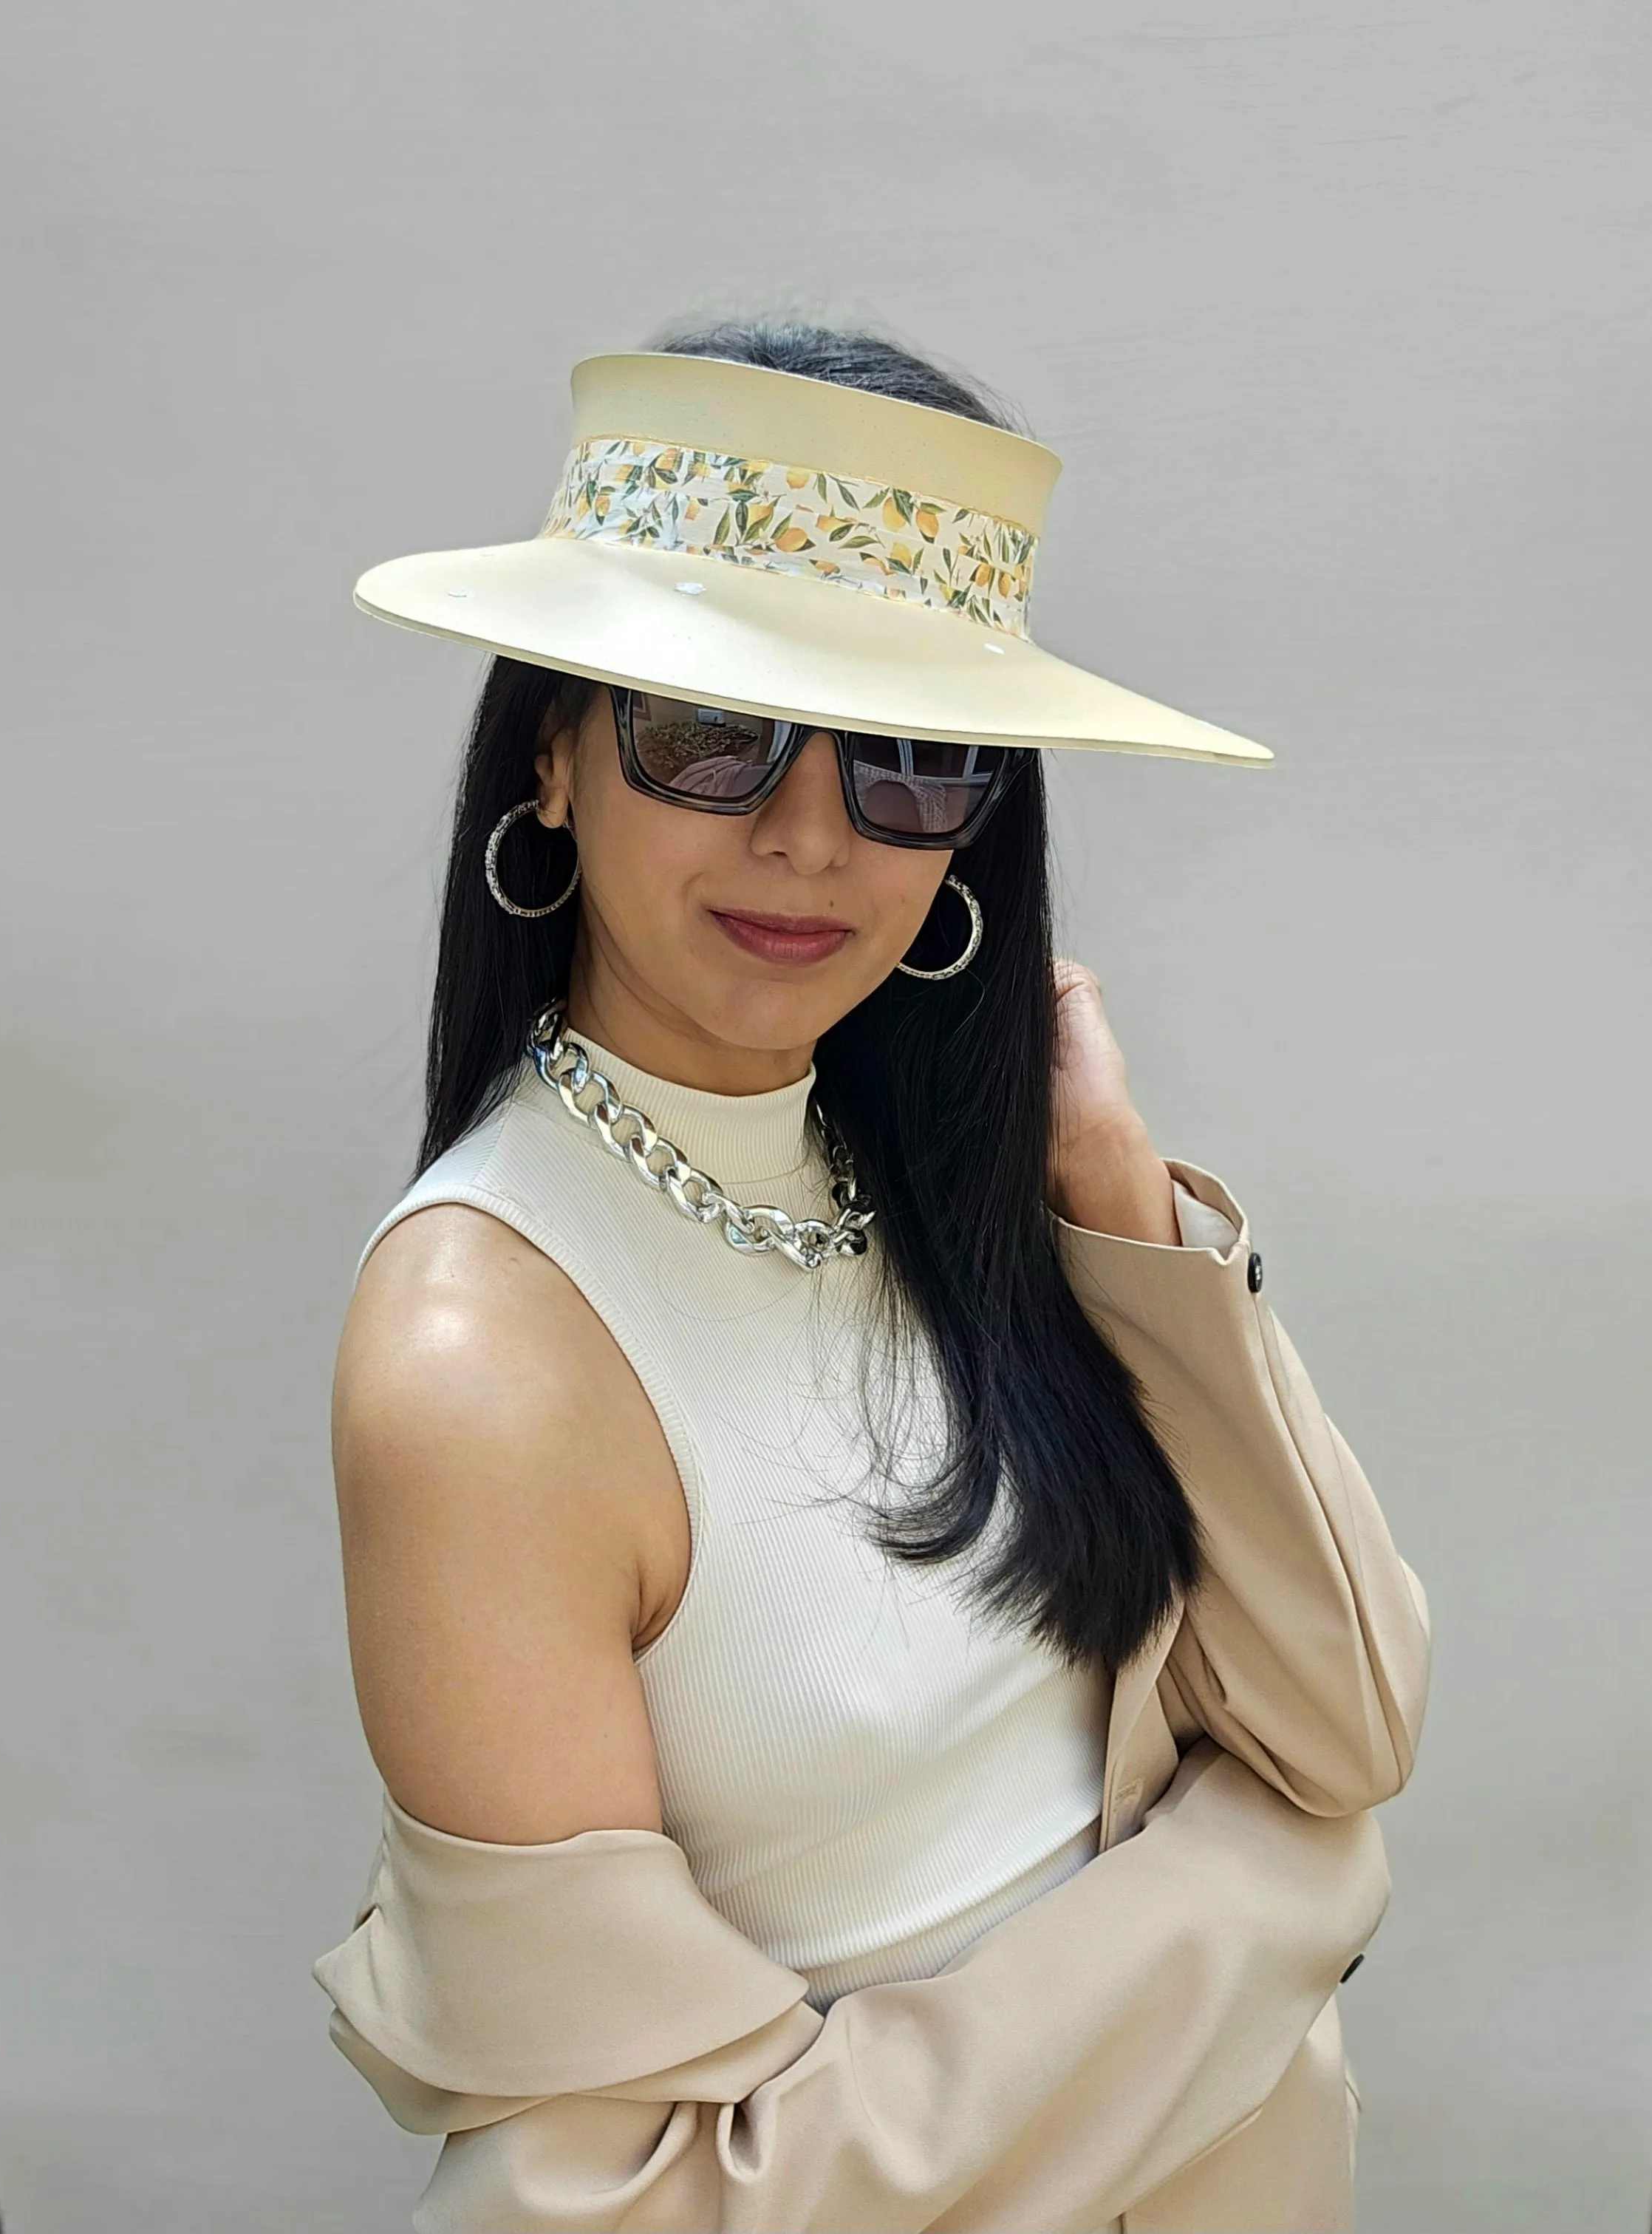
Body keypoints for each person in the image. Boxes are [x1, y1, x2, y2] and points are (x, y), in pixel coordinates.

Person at [313, 322, 1430, 2233]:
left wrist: (1121, 1200)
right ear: (556, 759)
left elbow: (1345, 1722)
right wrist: (1257, 1901)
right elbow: (638, 2195)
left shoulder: (964, 1194)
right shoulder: (481, 1350)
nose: (811, 831)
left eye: (910, 754)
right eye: (709, 728)